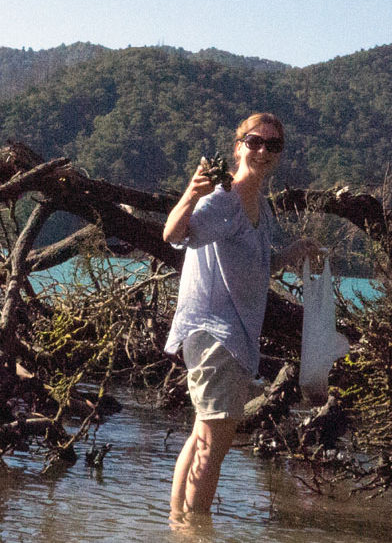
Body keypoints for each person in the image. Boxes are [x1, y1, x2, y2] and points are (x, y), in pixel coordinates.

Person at [161, 113, 319, 520]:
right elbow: (174, 235)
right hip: (216, 336)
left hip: (230, 337)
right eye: (255, 141)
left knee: (202, 437)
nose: (263, 151)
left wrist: (294, 251)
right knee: (214, 447)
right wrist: (190, 195)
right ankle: (197, 529)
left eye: (273, 145)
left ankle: (178, 524)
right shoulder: (224, 199)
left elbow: (258, 264)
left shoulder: (259, 205)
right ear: (238, 146)